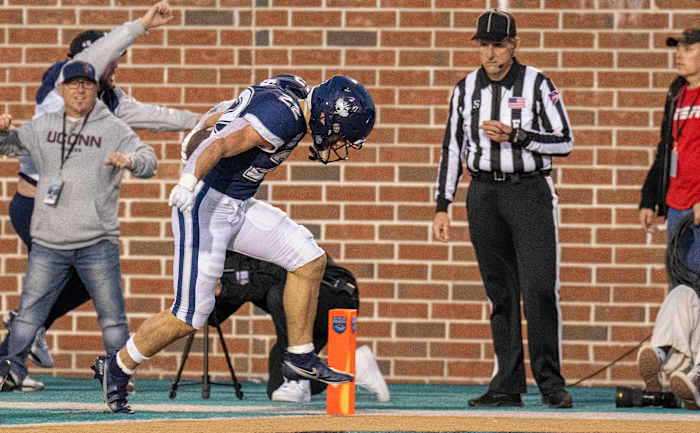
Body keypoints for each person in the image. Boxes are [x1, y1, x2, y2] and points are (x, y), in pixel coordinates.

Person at [90, 73, 375, 414]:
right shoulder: (284, 116)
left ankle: (300, 358)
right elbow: (221, 144)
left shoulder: (293, 89)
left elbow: (223, 115)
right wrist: (187, 179)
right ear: (328, 115)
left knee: (308, 259)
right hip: (204, 206)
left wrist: (200, 130)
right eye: (341, 134)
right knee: (188, 315)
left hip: (234, 205)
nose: (337, 143)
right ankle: (118, 367)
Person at [0, 0, 198, 390]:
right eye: (109, 61)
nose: (115, 67)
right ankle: (19, 344)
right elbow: (100, 53)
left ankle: (15, 351)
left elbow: (159, 117)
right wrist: (142, 24)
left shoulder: (109, 101)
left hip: (71, 213)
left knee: (69, 284)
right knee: (66, 280)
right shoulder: (60, 88)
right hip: (35, 205)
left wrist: (211, 122)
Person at [432, 9, 574, 409]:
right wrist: (443, 205)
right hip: (483, 194)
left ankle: (550, 382)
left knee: (540, 289)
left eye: (498, 44)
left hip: (528, 192)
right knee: (501, 292)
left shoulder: (537, 84)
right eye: (484, 45)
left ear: (513, 45)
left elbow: (564, 141)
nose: (491, 53)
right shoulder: (464, 90)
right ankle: (508, 384)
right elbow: (451, 149)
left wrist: (518, 135)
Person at [0, 60, 158, 393]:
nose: (80, 89)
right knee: (29, 312)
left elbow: (149, 160)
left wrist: (131, 161)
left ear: (96, 90)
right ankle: (6, 370)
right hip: (50, 237)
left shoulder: (112, 128)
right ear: (61, 90)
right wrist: (2, 131)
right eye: (73, 84)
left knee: (113, 317)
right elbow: (9, 146)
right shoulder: (45, 125)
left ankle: (116, 374)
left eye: (87, 84)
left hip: (96, 238)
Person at [209, 250, 390, 403]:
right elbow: (214, 318)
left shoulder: (255, 241)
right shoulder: (222, 260)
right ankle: (353, 368)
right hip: (299, 322)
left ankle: (299, 374)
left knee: (279, 294)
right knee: (277, 389)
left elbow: (272, 279)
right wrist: (200, 294)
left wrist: (224, 288)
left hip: (335, 295)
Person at [637, 28, 700, 410]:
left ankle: (683, 364)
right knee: (684, 287)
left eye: (690, 49)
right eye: (678, 48)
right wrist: (650, 197)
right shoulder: (677, 93)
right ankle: (667, 358)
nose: (680, 55)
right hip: (678, 208)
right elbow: (667, 149)